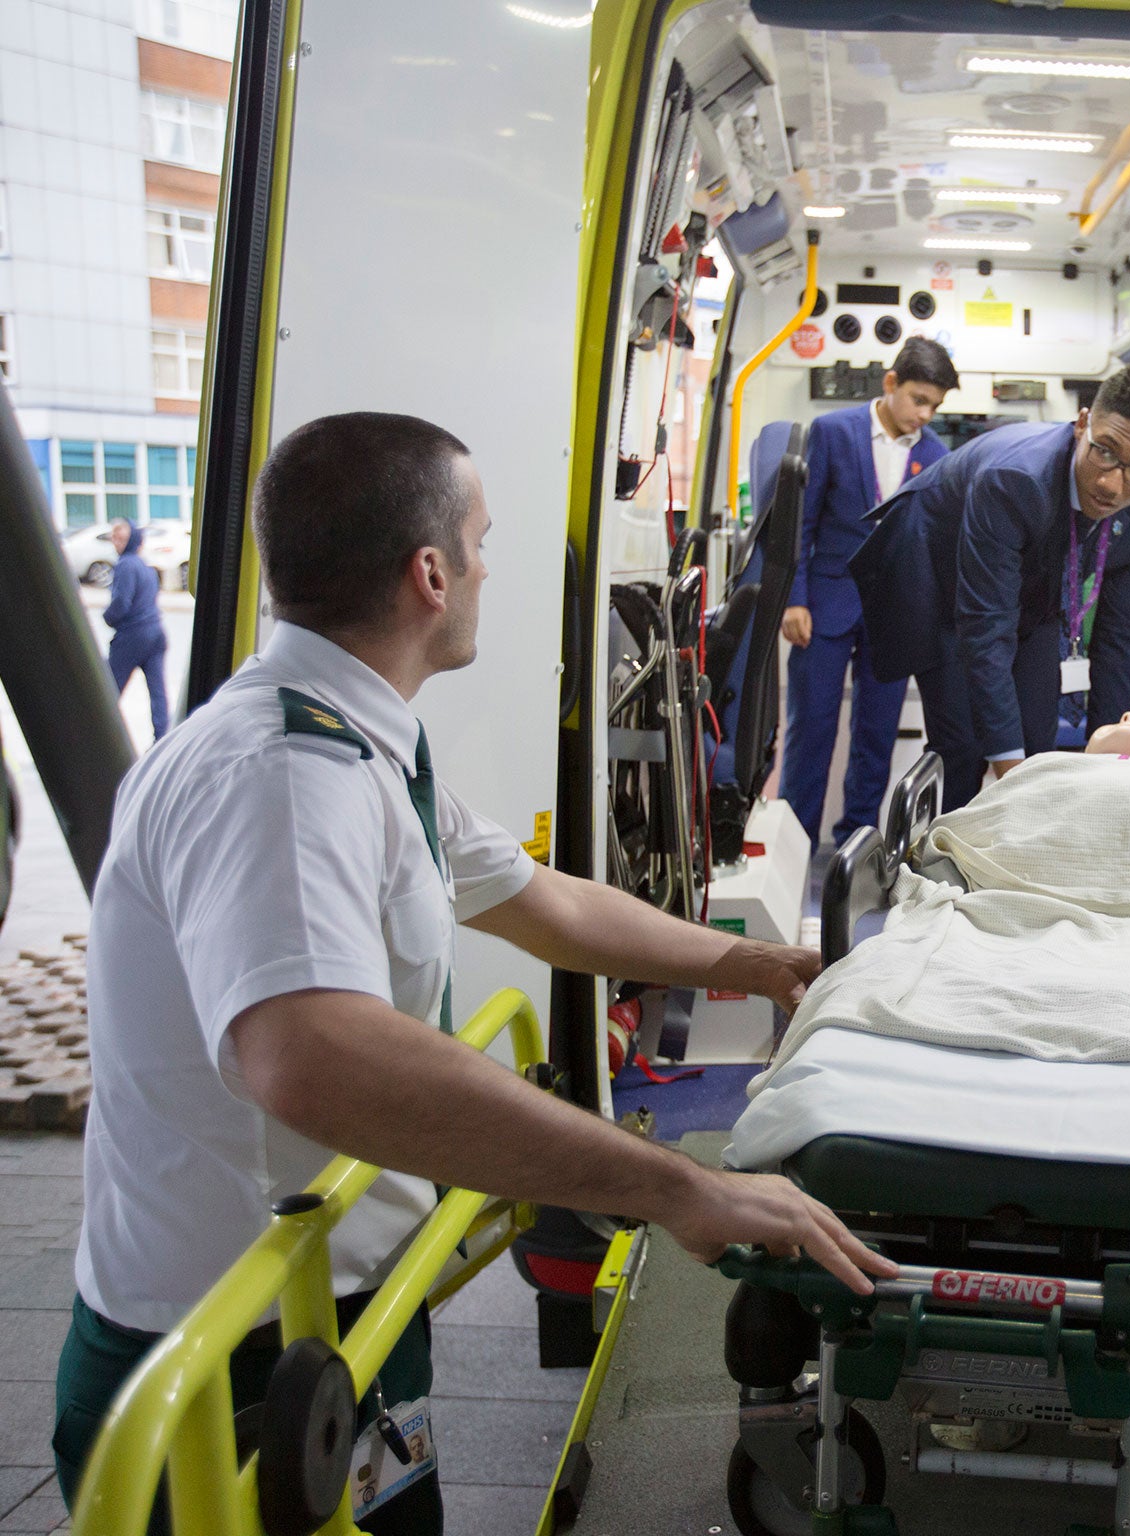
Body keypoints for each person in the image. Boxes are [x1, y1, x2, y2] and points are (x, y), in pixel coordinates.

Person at [54, 412, 894, 1531]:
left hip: (330, 1310)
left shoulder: (359, 737)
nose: (494, 567)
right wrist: (671, 1188)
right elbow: (318, 1061)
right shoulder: (280, 778)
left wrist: (757, 963)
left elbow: (541, 901)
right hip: (228, 1360)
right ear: (432, 573)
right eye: (485, 541)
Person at [851, 365, 1130, 811]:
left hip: (1033, 594)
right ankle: (934, 868)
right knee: (966, 746)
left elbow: (1118, 633)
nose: (1111, 483)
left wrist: (1109, 755)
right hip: (939, 587)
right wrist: (1016, 785)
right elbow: (987, 626)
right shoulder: (1014, 479)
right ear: (1082, 424)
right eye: (1104, 451)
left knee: (1036, 740)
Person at [780, 337, 957, 847]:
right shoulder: (833, 433)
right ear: (890, 384)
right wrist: (794, 597)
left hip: (892, 616)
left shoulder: (936, 455)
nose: (924, 414)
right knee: (811, 731)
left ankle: (854, 847)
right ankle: (798, 844)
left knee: (875, 739)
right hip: (825, 606)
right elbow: (801, 522)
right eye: (918, 400)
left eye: (935, 406)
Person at [102, 519, 169, 742]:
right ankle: (162, 740)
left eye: (120, 537)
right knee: (158, 694)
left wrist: (108, 618)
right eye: (113, 537)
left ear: (131, 539)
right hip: (156, 634)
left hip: (132, 637)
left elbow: (121, 602)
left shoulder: (125, 565)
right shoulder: (145, 567)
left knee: (107, 691)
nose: (116, 542)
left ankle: (98, 738)